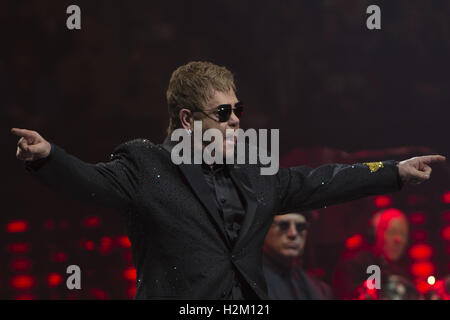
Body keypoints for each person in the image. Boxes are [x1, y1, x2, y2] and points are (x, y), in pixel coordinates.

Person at [11, 61, 445, 299]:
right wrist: (48, 157)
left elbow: (319, 182)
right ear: (187, 119)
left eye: (237, 110)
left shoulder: (255, 171)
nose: (236, 120)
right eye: (223, 113)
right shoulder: (146, 164)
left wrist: (394, 173)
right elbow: (89, 182)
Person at [333, 208, 419, 299]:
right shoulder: (353, 264)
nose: (398, 240)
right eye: (392, 232)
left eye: (403, 234)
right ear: (374, 233)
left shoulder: (402, 274)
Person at [263, 211, 333, 299]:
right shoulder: (247, 282)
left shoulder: (321, 290)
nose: (293, 233)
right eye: (283, 225)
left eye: (300, 227)